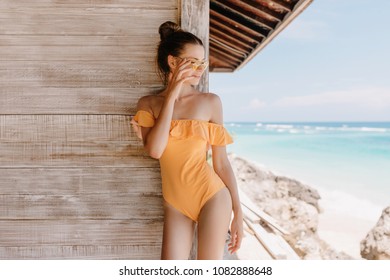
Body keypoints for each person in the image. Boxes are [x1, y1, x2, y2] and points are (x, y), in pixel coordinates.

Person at [131, 21, 243, 260]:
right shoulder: (148, 104)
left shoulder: (210, 102)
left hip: (212, 195)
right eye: (193, 62)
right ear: (173, 62)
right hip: (175, 203)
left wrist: (238, 214)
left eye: (202, 63)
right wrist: (171, 95)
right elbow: (155, 151)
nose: (200, 69)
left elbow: (221, 164)